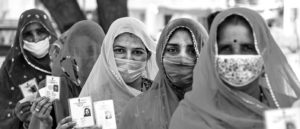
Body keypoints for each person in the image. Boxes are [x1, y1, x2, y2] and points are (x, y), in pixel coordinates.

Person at [169, 8, 300, 129]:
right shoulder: (190, 116)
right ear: (212, 57)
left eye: (247, 48)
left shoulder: (289, 111)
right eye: (226, 49)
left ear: (264, 55)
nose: (237, 57)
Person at [118, 18, 208, 129]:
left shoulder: (222, 109)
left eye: (192, 51)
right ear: (160, 54)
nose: (182, 59)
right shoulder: (137, 110)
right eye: (172, 50)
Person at [79, 17, 158, 124]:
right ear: (109, 54)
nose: (128, 58)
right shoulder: (94, 97)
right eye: (120, 50)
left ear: (148, 56)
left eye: (137, 52)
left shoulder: (160, 95)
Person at [28, 20, 105, 129]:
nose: (83, 58)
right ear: (67, 53)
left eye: (90, 51)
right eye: (77, 51)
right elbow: (40, 124)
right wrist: (46, 124)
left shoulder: (111, 88)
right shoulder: (49, 90)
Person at [0, 9, 57, 129]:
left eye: (40, 31)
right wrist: (18, 117)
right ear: (20, 37)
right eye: (28, 34)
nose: (35, 39)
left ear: (49, 32)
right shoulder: (11, 67)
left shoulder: (63, 60)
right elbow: (3, 111)